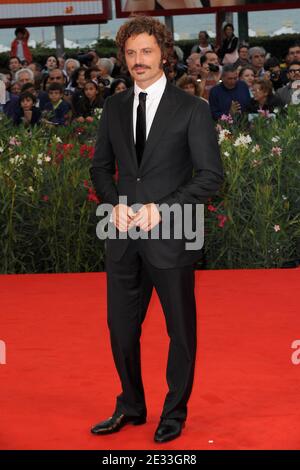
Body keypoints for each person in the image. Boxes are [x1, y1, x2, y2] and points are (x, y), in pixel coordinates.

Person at [90, 15, 223, 444]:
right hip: (122, 236)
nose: (137, 60)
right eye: (130, 53)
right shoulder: (113, 107)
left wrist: (161, 210)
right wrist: (114, 205)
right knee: (120, 328)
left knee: (180, 330)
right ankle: (130, 404)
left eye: (146, 51)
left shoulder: (193, 110)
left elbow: (210, 177)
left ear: (164, 53)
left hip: (172, 232)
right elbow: (99, 168)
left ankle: (174, 411)